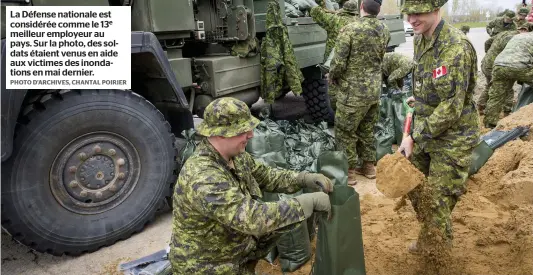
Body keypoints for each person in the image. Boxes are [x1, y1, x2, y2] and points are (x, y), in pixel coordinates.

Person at [169, 97, 333, 274]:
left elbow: (267, 176)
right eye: (243, 131)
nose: (251, 135)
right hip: (207, 267)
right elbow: (252, 219)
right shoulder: (203, 176)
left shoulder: (235, 156)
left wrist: (303, 178)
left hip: (235, 254)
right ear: (220, 133)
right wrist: (306, 203)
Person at [398, 0, 480, 259]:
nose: (412, 19)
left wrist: (413, 137)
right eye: (408, 13)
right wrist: (418, 101)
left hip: (453, 137)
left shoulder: (456, 47)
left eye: (418, 12)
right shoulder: (421, 38)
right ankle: (432, 235)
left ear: (436, 9)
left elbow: (451, 108)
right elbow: (426, 80)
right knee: (415, 187)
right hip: (427, 129)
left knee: (437, 202)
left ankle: (438, 258)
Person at [329, 0, 390, 183]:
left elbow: (338, 62)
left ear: (361, 6)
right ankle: (369, 167)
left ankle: (349, 173)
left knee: (345, 131)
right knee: (367, 129)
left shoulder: (350, 29)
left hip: (352, 93)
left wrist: (333, 76)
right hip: (374, 90)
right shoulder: (384, 29)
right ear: (378, 9)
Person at [305, 0, 360, 113]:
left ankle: (339, 114)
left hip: (336, 62)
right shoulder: (360, 23)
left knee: (334, 91)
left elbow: (317, 13)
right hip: (355, 63)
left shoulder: (335, 20)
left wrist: (315, 4)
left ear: (343, 9)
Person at [478, 23, 532, 115]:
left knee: (495, 91)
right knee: (506, 87)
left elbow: (487, 42)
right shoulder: (514, 37)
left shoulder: (506, 34)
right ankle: (508, 110)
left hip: (495, 64)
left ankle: (487, 117)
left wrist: (488, 53)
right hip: (505, 65)